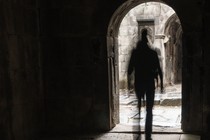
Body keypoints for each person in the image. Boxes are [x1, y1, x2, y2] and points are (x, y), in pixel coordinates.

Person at [127, 29, 163, 140]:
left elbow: (129, 70)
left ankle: (137, 134)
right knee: (149, 110)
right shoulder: (152, 53)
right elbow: (159, 69)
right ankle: (148, 135)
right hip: (149, 83)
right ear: (147, 38)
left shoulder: (135, 53)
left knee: (138, 108)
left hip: (139, 83)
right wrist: (161, 85)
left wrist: (129, 84)